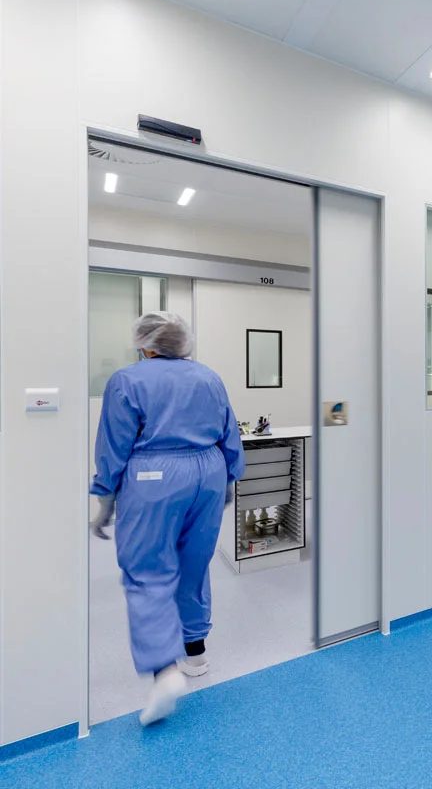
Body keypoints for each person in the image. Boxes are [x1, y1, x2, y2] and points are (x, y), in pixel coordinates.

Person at [89, 311, 245, 726]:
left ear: (145, 344)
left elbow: (113, 445)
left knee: (148, 571)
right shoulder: (209, 377)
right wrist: (228, 477)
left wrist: (104, 498)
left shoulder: (127, 380)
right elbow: (230, 432)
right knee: (194, 564)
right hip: (209, 473)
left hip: (154, 478)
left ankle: (164, 671)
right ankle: (196, 654)